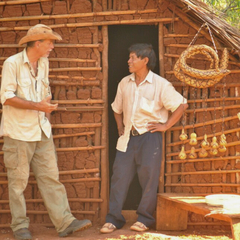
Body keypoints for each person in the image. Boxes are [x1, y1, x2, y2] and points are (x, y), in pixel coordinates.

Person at [0, 24, 92, 240]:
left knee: (51, 178)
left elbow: (46, 95)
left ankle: (65, 223)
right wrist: (38, 107)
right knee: (17, 184)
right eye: (50, 42)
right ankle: (20, 227)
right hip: (18, 133)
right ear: (37, 43)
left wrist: (46, 118)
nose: (52, 46)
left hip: (42, 131)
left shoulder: (44, 63)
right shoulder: (12, 63)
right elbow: (6, 97)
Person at [100, 43, 188, 233]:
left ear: (145, 60)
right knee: (119, 178)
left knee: (149, 179)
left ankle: (144, 219)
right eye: (129, 57)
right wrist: (120, 126)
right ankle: (114, 219)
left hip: (150, 138)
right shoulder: (125, 83)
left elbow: (181, 105)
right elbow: (116, 108)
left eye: (133, 57)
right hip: (127, 139)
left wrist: (165, 126)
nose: (129, 61)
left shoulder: (160, 84)